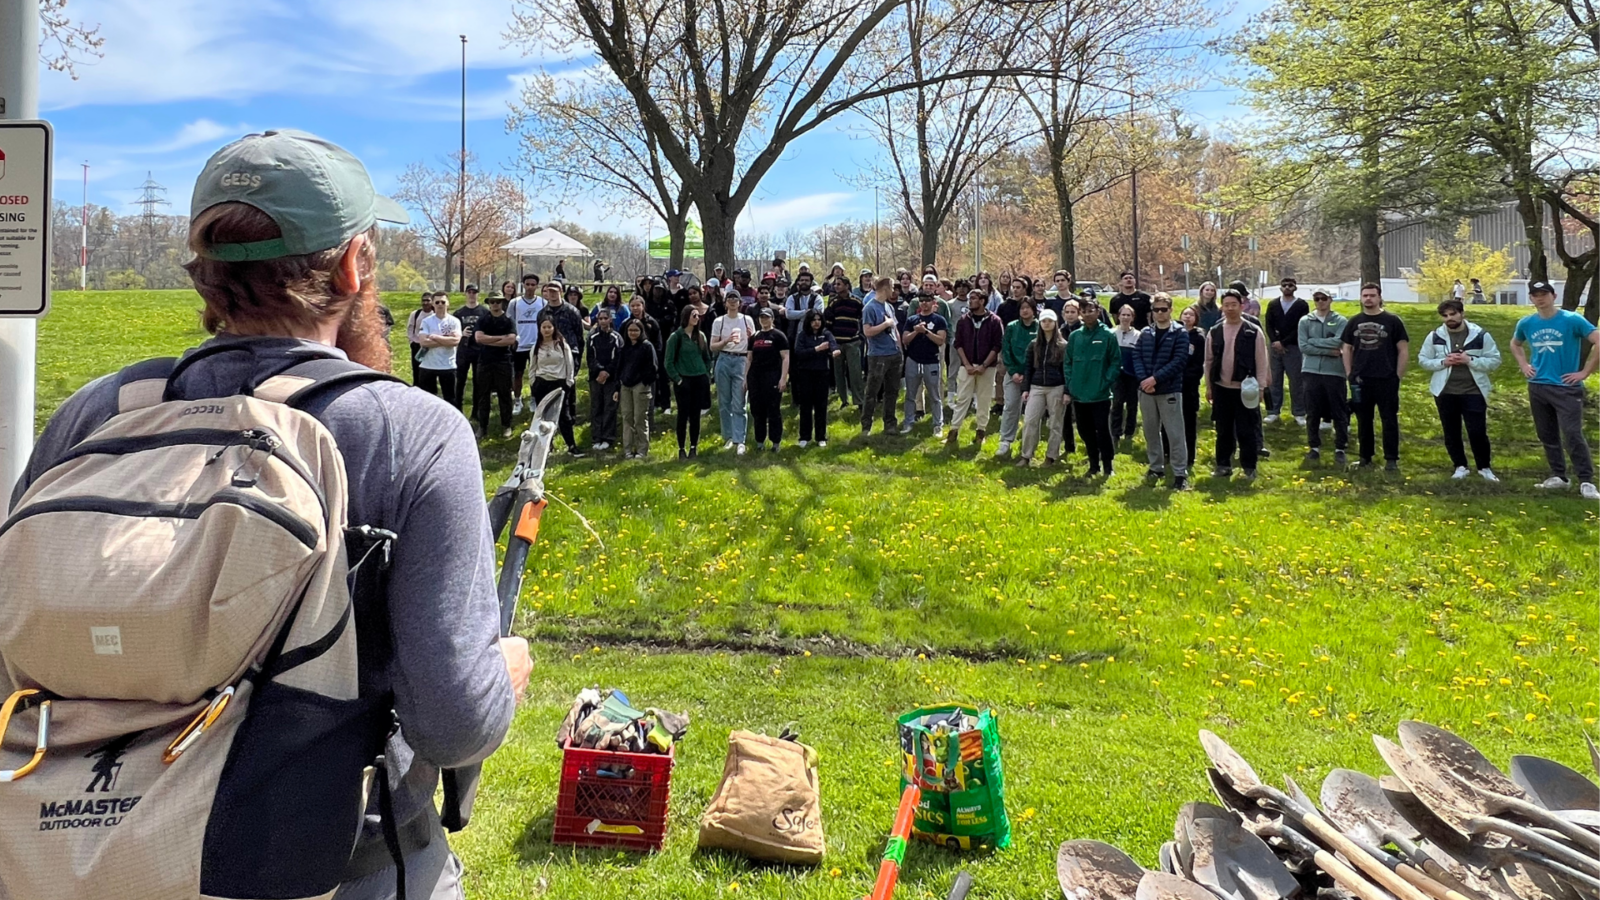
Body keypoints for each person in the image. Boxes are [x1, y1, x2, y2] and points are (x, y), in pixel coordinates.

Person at [10, 129, 528, 897]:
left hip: (62, 861)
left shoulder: (98, 414)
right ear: (354, 266)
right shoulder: (412, 432)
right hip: (325, 866)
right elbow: (452, 725)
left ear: (204, 275)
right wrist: (506, 674)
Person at [1510, 280, 1599, 498]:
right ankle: (1559, 476)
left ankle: (1586, 481)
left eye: (1544, 294)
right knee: (1547, 434)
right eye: (1535, 295)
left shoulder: (1572, 320)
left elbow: (1598, 340)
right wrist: (1524, 365)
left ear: (1553, 296)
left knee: (1572, 433)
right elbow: (1515, 344)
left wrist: (1584, 372)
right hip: (1538, 386)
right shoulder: (1527, 323)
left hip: (1566, 387)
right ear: (1531, 298)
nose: (1540, 298)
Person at [1418, 298, 1502, 481]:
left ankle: (1484, 467)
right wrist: (1443, 362)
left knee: (1477, 431)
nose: (1450, 318)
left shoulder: (1480, 335)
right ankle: (1460, 466)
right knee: (1451, 431)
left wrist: (1469, 361)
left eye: (1453, 314)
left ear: (1462, 313)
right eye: (1445, 315)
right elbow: (1423, 360)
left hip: (1474, 391)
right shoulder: (1435, 336)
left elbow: (1495, 360)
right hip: (1445, 391)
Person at [1340, 282, 1410, 471]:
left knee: (1389, 419)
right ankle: (1365, 458)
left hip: (1386, 379)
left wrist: (1397, 376)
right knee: (1363, 420)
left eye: (1372, 295)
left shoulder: (1393, 321)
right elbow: (1346, 348)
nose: (1368, 299)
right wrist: (1349, 373)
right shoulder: (1354, 321)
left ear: (1379, 297)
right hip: (1360, 380)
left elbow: (1403, 350)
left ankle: (1391, 460)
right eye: (1365, 295)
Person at [1206, 288, 1269, 480]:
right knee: (1223, 429)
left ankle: (1249, 467)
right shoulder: (1215, 331)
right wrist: (1209, 387)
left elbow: (1261, 361)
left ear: (1242, 306)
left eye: (1234, 305)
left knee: (1246, 429)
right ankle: (1223, 465)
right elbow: (1208, 361)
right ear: (1222, 307)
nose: (1230, 308)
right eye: (1226, 305)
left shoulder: (1253, 331)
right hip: (1221, 388)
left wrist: (1261, 388)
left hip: (1246, 389)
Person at [1134, 293, 1190, 489]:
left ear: (1170, 310)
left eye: (1163, 309)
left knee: (1175, 433)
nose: (1159, 313)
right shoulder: (1145, 333)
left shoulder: (1180, 333)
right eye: (1156, 309)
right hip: (1146, 391)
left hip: (1169, 390)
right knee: (1150, 432)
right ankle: (1155, 467)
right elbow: (1137, 357)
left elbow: (1179, 361)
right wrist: (1144, 380)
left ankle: (1179, 473)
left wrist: (1155, 379)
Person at [1065, 299, 1120, 476]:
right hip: (1079, 394)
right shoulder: (1075, 337)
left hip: (1100, 394)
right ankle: (1093, 464)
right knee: (1084, 431)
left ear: (1098, 311)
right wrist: (1071, 384)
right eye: (1084, 311)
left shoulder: (1107, 335)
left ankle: (1108, 466)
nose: (1087, 314)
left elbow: (1115, 362)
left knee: (1103, 430)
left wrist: (1106, 381)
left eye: (1091, 310)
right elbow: (1067, 362)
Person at [1297, 289, 1351, 466]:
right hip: (1311, 371)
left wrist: (1315, 341)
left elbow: (1339, 341)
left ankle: (1340, 447)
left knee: (1338, 410)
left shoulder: (1340, 321)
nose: (1320, 301)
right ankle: (1313, 447)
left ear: (1330, 300)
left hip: (1334, 372)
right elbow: (1304, 346)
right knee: (1312, 411)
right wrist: (1328, 350)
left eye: (1323, 298)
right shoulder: (1305, 321)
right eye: (1317, 298)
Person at [947, 289, 1004, 449]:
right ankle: (953, 431)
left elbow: (997, 345)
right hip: (967, 367)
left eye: (973, 298)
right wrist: (967, 364)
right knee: (962, 399)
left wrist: (984, 365)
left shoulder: (994, 321)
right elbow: (958, 343)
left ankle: (980, 432)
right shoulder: (964, 321)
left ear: (982, 301)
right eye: (970, 298)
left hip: (987, 368)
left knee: (984, 400)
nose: (970, 301)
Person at [1018, 308, 1069, 466]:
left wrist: (1067, 391)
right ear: (1040, 324)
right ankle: (1026, 455)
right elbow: (1028, 368)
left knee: (1055, 423)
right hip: (1036, 386)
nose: (1047, 324)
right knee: (1030, 420)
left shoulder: (1063, 345)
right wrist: (1025, 389)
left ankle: (1051, 456)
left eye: (1050, 321)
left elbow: (1067, 370)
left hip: (1056, 387)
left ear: (1055, 323)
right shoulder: (1034, 345)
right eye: (1044, 321)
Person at [665, 305, 713, 458]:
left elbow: (707, 357)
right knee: (682, 415)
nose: (696, 318)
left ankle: (693, 447)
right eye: (694, 315)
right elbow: (668, 362)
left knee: (695, 415)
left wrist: (706, 372)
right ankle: (681, 448)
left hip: (699, 379)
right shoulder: (676, 337)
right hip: (683, 380)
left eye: (698, 316)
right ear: (686, 316)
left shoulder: (701, 336)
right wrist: (678, 380)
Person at [711, 290, 755, 454]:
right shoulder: (719, 321)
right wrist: (726, 341)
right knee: (724, 402)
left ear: (740, 302)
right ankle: (728, 437)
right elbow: (712, 346)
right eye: (729, 299)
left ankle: (740, 439)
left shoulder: (747, 320)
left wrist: (751, 336)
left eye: (735, 299)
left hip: (741, 360)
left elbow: (753, 344)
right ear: (725, 302)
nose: (732, 301)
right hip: (723, 360)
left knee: (740, 401)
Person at [530, 319, 582, 456]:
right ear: (540, 329)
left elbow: (569, 363)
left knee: (564, 416)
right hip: (542, 383)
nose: (546, 330)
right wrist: (533, 384)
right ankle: (546, 447)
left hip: (559, 383)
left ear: (554, 328)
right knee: (543, 417)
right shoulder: (537, 346)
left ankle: (571, 446)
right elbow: (532, 367)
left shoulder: (562, 344)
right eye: (544, 327)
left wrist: (569, 382)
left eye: (549, 327)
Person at [860, 276, 904, 435]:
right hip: (878, 355)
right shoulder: (869, 308)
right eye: (892, 287)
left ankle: (890, 424)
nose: (893, 291)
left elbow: (895, 329)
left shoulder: (888, 307)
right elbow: (867, 332)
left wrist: (899, 348)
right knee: (872, 391)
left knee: (892, 391)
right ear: (885, 288)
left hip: (894, 354)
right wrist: (885, 324)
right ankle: (866, 425)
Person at [997, 297, 1040, 458]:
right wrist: (1014, 371)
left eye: (1028, 308)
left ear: (1033, 310)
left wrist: (1030, 374)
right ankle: (1005, 440)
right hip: (1013, 374)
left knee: (1033, 412)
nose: (1025, 311)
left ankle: (1029, 444)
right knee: (1011, 406)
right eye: (1022, 308)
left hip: (1034, 376)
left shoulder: (1040, 327)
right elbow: (1006, 350)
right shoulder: (1012, 327)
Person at [1263, 276, 1309, 425]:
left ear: (1295, 287)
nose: (1287, 287)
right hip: (1274, 347)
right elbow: (1268, 324)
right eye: (1284, 285)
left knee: (1296, 381)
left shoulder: (1301, 305)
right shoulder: (1273, 304)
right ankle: (1273, 411)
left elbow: (1300, 327)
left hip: (1294, 347)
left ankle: (1299, 412)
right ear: (1280, 288)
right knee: (1274, 380)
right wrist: (1275, 342)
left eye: (1290, 285)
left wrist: (1284, 342)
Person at [901, 291, 948, 437]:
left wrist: (925, 331)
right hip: (913, 360)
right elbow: (905, 339)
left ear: (933, 302)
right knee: (910, 394)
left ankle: (937, 425)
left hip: (931, 361)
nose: (924, 303)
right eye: (921, 301)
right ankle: (908, 422)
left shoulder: (939, 320)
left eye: (927, 301)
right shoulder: (912, 320)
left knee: (934, 395)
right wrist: (916, 332)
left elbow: (940, 340)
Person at [473, 293, 518, 438]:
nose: (495, 304)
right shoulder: (483, 319)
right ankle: (482, 427)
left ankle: (506, 425)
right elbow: (479, 338)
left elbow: (511, 339)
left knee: (504, 394)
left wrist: (490, 340)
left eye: (498, 302)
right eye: (492, 302)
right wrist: (500, 338)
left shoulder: (508, 320)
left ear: (502, 303)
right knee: (483, 395)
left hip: (503, 361)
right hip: (484, 361)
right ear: (488, 303)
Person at [793, 308, 840, 447]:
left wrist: (835, 350)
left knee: (821, 406)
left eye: (819, 320)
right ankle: (804, 437)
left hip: (822, 373)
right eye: (814, 320)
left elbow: (833, 345)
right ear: (809, 321)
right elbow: (799, 353)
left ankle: (821, 437)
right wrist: (817, 349)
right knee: (805, 406)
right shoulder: (802, 335)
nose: (816, 323)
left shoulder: (826, 334)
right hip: (805, 373)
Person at [747, 308, 791, 451]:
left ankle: (775, 442)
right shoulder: (754, 337)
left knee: (773, 410)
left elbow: (785, 358)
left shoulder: (778, 336)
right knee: (757, 410)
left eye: (767, 317)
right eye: (761, 317)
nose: (764, 320)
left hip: (772, 376)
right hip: (755, 377)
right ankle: (759, 441)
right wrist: (745, 378)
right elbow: (749, 359)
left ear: (772, 319)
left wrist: (783, 378)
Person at [616, 318, 658, 459]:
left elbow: (653, 368)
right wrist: (619, 385)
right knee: (627, 417)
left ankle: (642, 450)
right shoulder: (624, 348)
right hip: (625, 386)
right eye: (630, 330)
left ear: (641, 331)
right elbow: (619, 367)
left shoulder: (647, 346)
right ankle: (627, 449)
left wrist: (644, 382)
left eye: (635, 330)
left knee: (640, 418)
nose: (632, 333)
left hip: (641, 386)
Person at [822, 276, 865, 407]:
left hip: (853, 342)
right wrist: (831, 342)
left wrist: (861, 337)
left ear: (847, 285)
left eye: (839, 284)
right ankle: (844, 400)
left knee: (855, 373)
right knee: (838, 374)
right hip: (837, 344)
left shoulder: (857, 301)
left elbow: (863, 320)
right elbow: (827, 323)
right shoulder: (833, 302)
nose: (836, 287)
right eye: (835, 284)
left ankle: (859, 401)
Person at [586, 309, 623, 452]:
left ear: (610, 320)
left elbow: (618, 358)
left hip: (611, 378)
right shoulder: (592, 337)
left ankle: (608, 437)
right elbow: (590, 358)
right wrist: (599, 371)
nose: (602, 321)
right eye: (600, 318)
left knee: (609, 407)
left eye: (605, 318)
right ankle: (596, 437)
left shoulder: (616, 337)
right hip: (595, 377)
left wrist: (607, 372)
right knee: (596, 407)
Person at [416, 293, 462, 406]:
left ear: (448, 303)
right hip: (428, 366)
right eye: (437, 302)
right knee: (427, 400)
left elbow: (455, 341)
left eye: (443, 302)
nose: (440, 304)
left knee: (450, 400)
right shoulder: (426, 321)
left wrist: (436, 337)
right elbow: (423, 342)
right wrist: (447, 340)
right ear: (433, 304)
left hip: (448, 366)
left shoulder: (454, 321)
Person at [509, 275, 545, 415]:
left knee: (535, 375)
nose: (530, 287)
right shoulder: (515, 303)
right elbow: (509, 322)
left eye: (533, 284)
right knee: (518, 374)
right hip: (519, 345)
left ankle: (534, 399)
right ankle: (517, 401)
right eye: (527, 284)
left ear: (537, 286)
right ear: (523, 285)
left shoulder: (542, 303)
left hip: (536, 345)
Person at [451, 284, 489, 412]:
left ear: (478, 294)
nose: (472, 294)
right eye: (469, 292)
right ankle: (457, 409)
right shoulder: (458, 313)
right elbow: (452, 332)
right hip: (463, 351)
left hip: (479, 351)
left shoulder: (484, 312)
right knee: (460, 381)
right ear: (465, 294)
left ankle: (476, 411)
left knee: (478, 382)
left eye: (474, 292)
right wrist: (461, 334)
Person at [1178, 306, 1206, 473]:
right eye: (1185, 313)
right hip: (1173, 384)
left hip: (1189, 385)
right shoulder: (1174, 333)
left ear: (1196, 318)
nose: (1187, 317)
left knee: (1188, 420)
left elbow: (1198, 363)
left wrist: (1186, 376)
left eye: (1191, 314)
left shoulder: (1199, 337)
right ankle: (1169, 452)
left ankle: (1189, 455)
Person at [1110, 303, 1141, 445]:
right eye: (1123, 314)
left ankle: (1129, 431)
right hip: (1116, 374)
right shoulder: (1111, 334)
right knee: (1116, 403)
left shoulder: (1138, 335)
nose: (1125, 317)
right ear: (1118, 316)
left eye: (1128, 315)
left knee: (1132, 404)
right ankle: (1115, 432)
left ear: (1132, 318)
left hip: (1132, 375)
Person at [405, 291, 430, 383]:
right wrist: (412, 341)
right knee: (416, 369)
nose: (425, 303)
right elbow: (410, 327)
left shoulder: (434, 315)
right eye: (423, 300)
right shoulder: (415, 314)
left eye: (428, 300)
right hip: (417, 345)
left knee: (429, 370)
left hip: (430, 346)